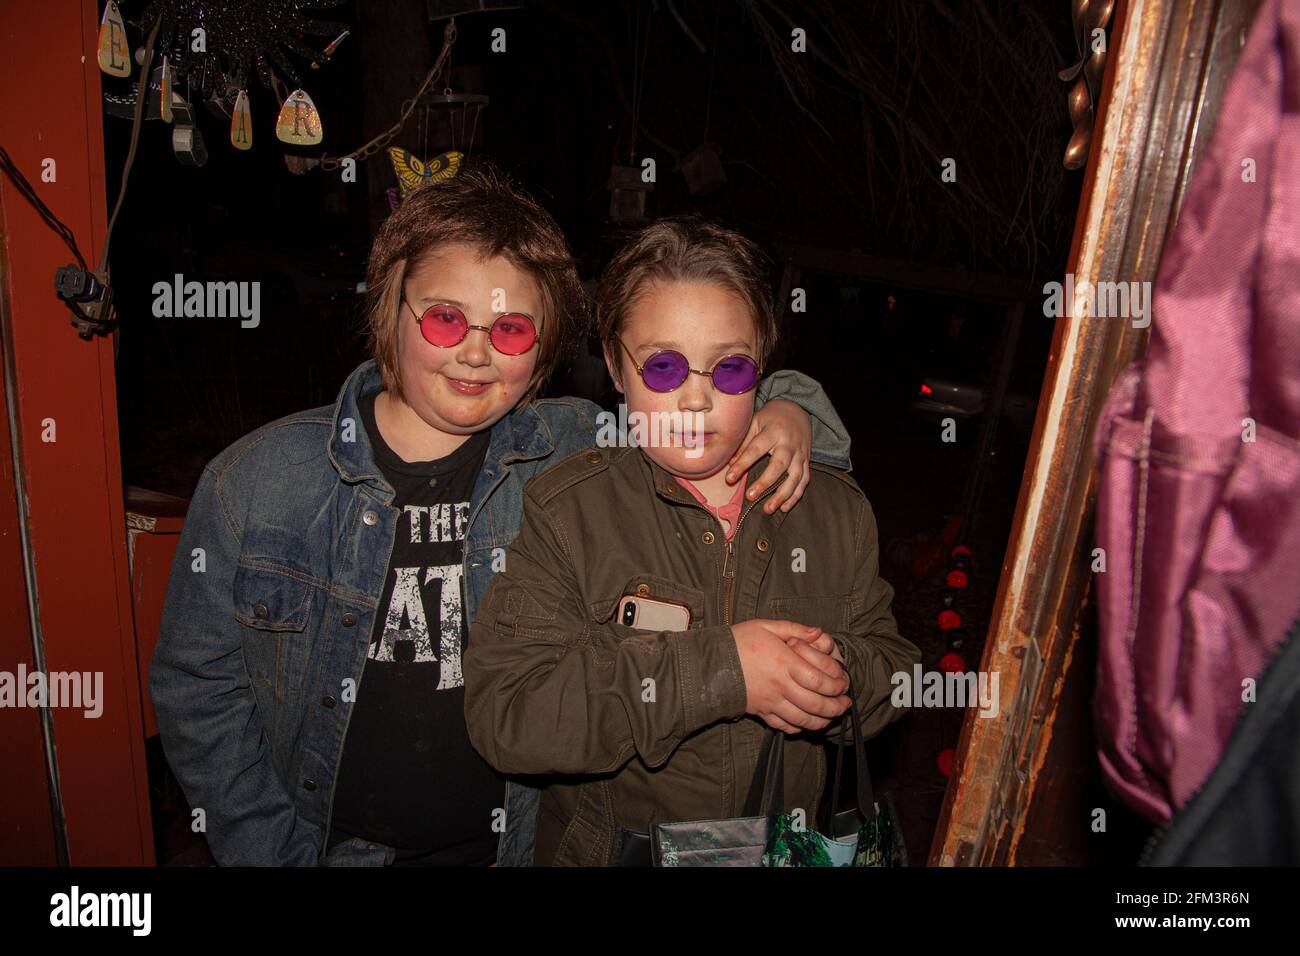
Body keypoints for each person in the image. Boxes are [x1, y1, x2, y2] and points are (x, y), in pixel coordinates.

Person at [149, 166, 854, 866]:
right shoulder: (259, 484)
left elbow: (704, 403)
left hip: (512, 845)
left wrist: (789, 407)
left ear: (545, 344)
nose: (477, 352)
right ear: (390, 307)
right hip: (325, 848)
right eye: (447, 317)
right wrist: (270, 851)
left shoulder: (575, 452)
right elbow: (198, 689)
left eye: (512, 329)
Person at [463, 216, 921, 866]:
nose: (696, 399)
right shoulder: (572, 513)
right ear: (617, 368)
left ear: (763, 369)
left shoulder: (833, 510)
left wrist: (827, 674)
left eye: (729, 369)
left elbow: (895, 673)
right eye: (664, 366)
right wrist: (722, 673)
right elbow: (509, 717)